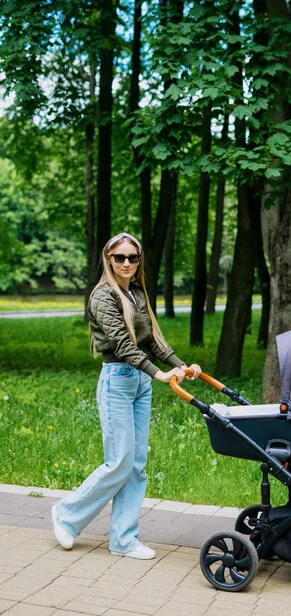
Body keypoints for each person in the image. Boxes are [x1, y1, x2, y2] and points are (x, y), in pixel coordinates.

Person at [51, 232, 201, 560]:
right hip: (116, 381)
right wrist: (158, 373)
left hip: (139, 384)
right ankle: (65, 513)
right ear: (109, 259)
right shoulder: (103, 296)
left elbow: (152, 341)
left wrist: (181, 366)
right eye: (120, 257)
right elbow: (122, 343)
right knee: (119, 462)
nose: (127, 263)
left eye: (133, 257)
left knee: (136, 465)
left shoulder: (136, 293)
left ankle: (123, 539)